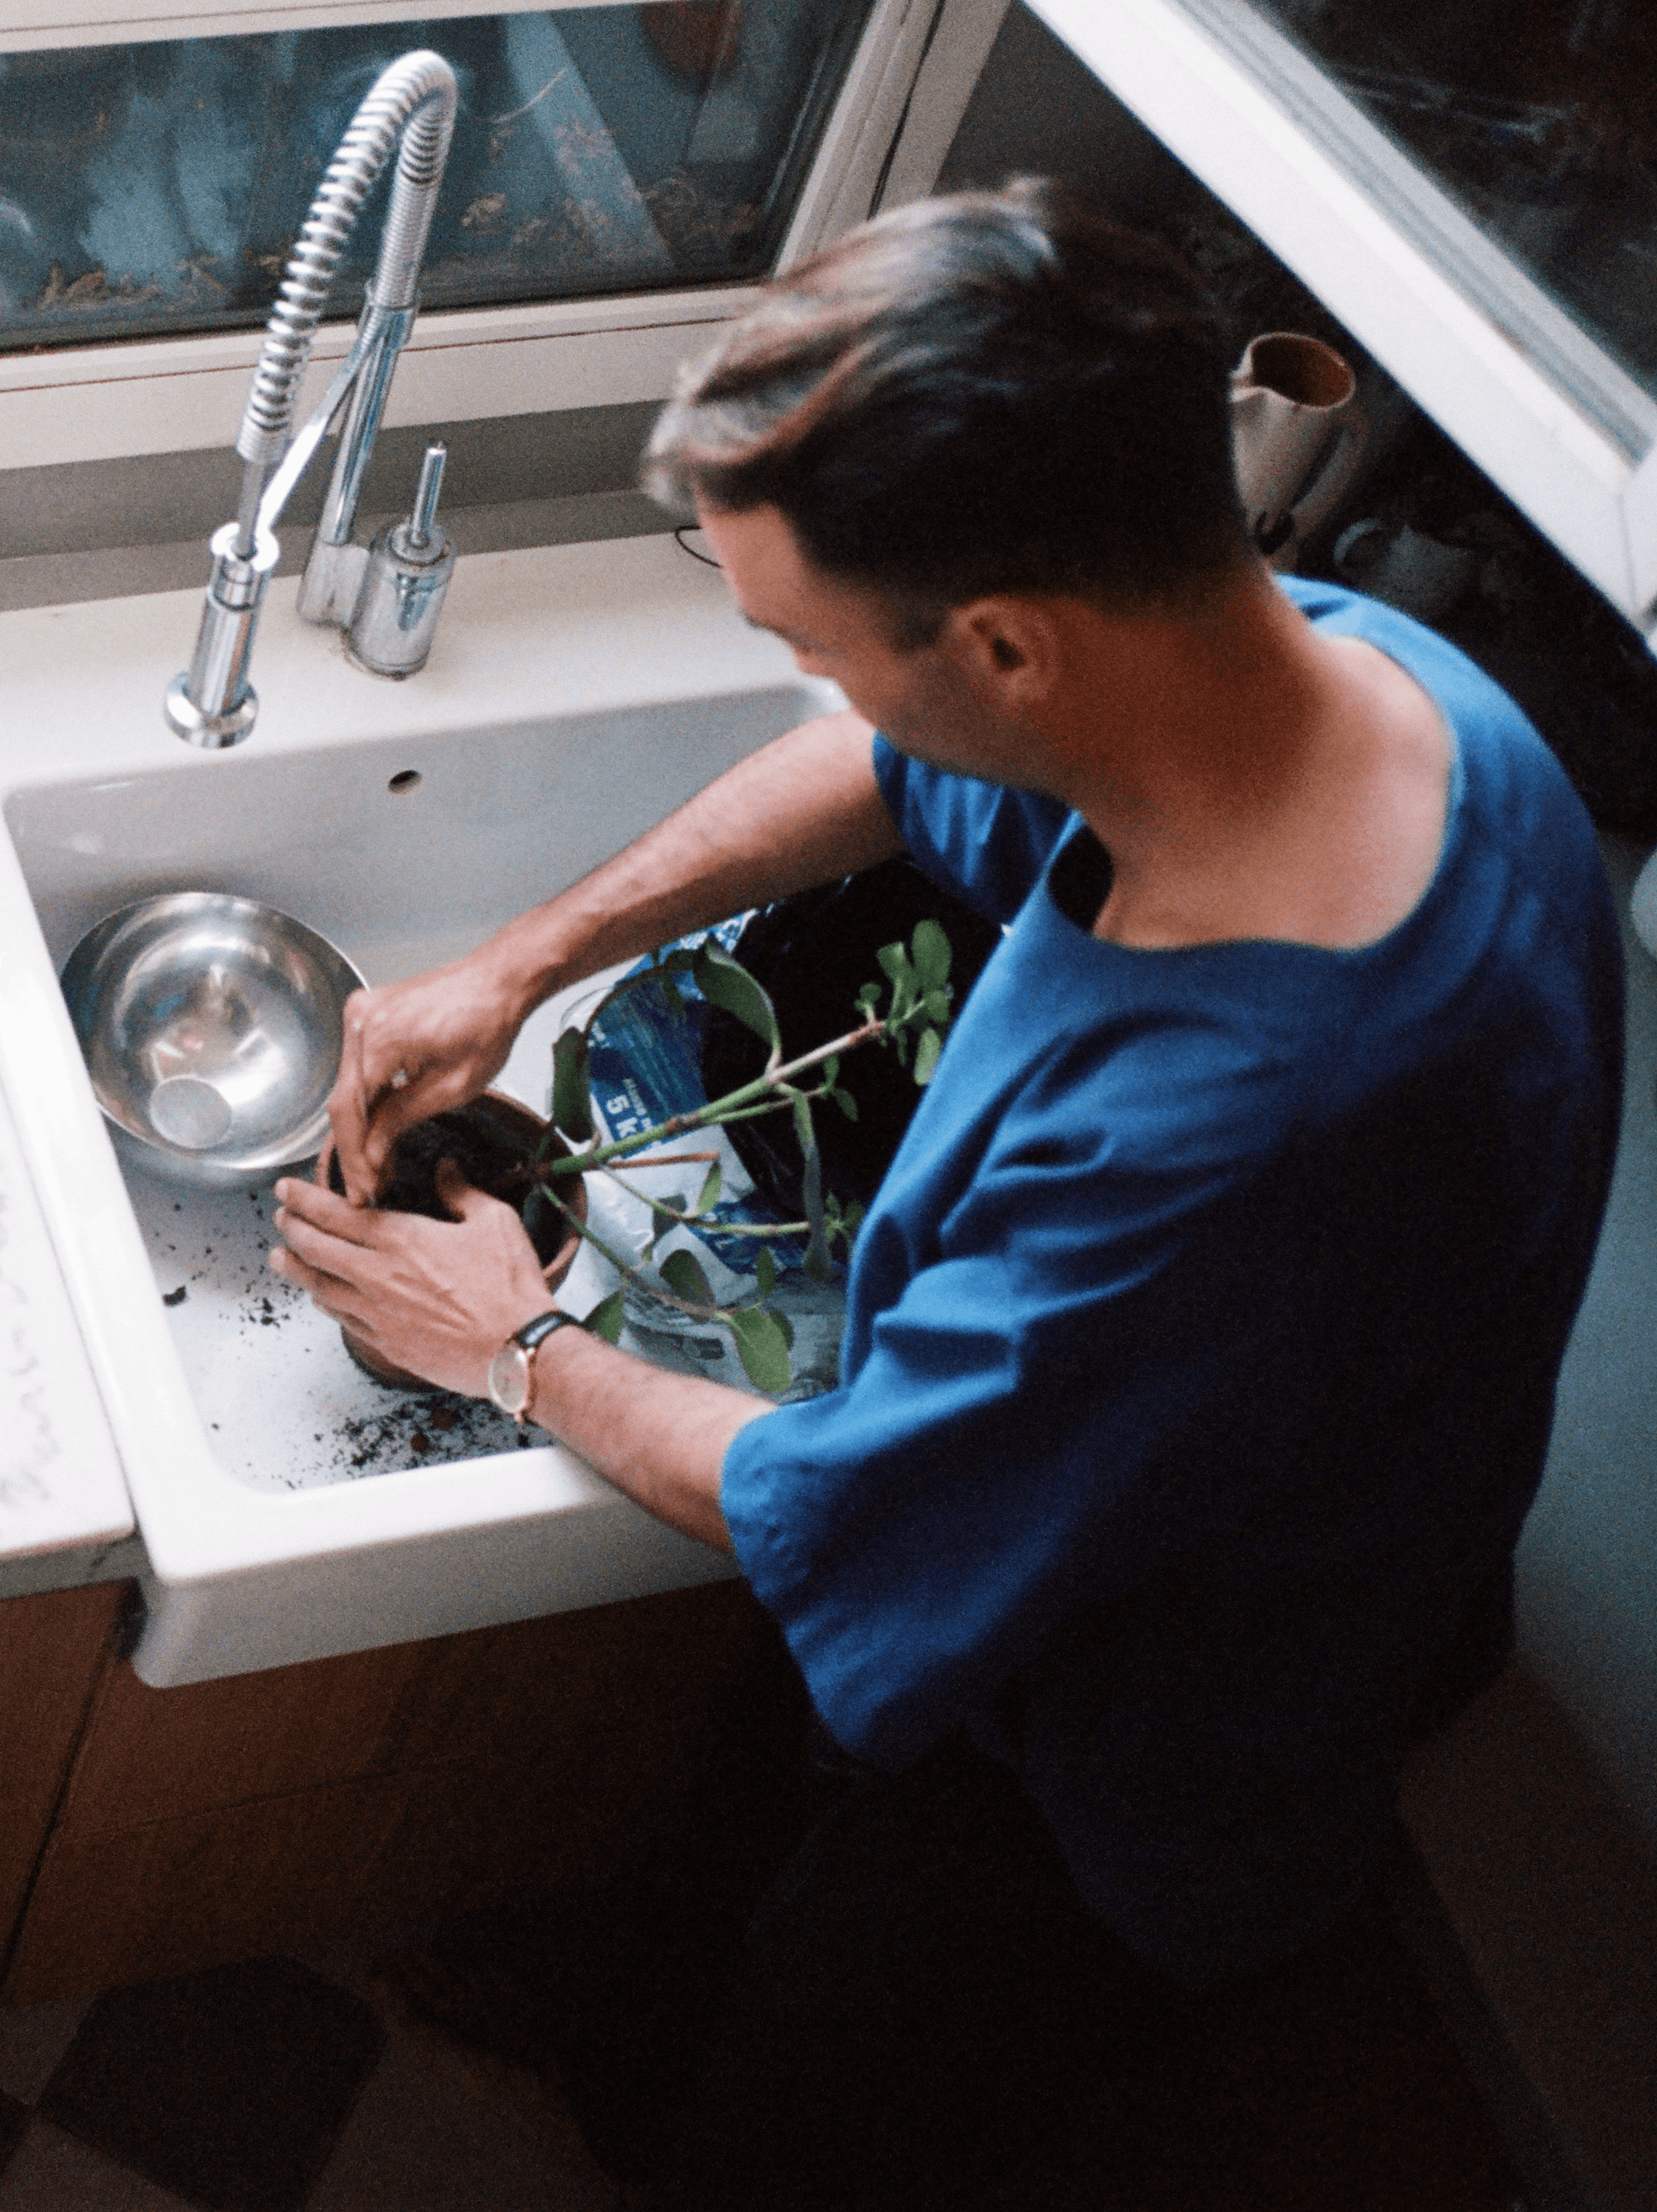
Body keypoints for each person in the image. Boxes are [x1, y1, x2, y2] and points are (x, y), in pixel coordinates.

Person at [270, 183, 1623, 2205]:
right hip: (1175, 1514)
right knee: (762, 1842)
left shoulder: (1240, 1126)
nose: (812, 688)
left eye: (805, 638)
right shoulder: (1327, 670)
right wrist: (525, 955)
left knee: (844, 2087)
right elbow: (906, 774)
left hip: (1153, 1738)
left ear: (1001, 638)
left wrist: (517, 1346)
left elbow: (855, 1502)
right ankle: (627, 2032)